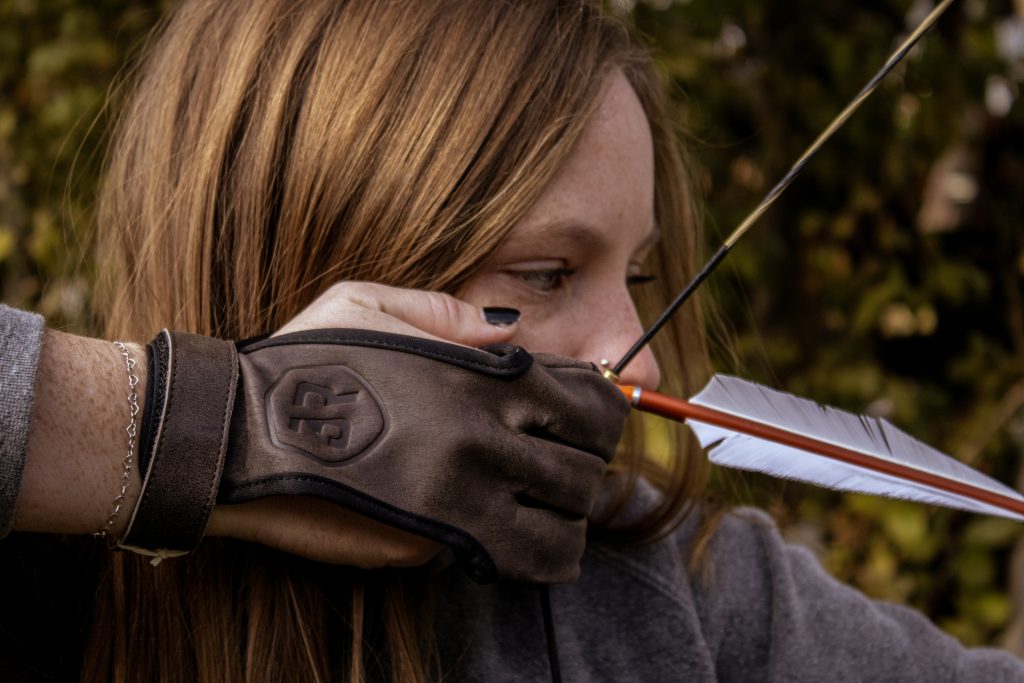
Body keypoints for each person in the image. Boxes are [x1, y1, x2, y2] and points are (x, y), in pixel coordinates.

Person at [1, 1, 1022, 681]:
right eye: (543, 273)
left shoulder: (661, 581)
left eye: (634, 275)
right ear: (329, 254)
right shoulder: (56, 567)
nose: (640, 358)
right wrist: (215, 426)